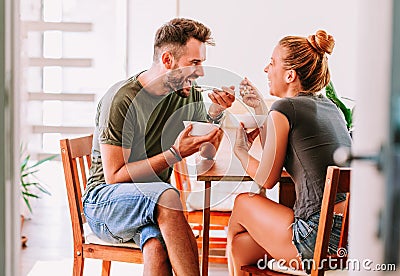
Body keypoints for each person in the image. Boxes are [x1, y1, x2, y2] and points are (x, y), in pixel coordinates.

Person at [82, 18, 235, 276]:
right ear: (167, 61)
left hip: (152, 205)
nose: (201, 72)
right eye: (194, 63)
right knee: (167, 195)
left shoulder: (188, 93)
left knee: (156, 245)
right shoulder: (122, 100)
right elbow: (114, 176)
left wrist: (216, 114)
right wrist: (174, 154)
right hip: (105, 203)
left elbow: (206, 155)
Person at [227, 30, 352, 275]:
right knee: (241, 247)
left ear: (290, 75)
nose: (266, 69)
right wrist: (261, 109)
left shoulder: (285, 108)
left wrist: (240, 150)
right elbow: (287, 153)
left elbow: (267, 179)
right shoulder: (331, 109)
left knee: (243, 202)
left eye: (272, 63)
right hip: (347, 237)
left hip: (316, 238)